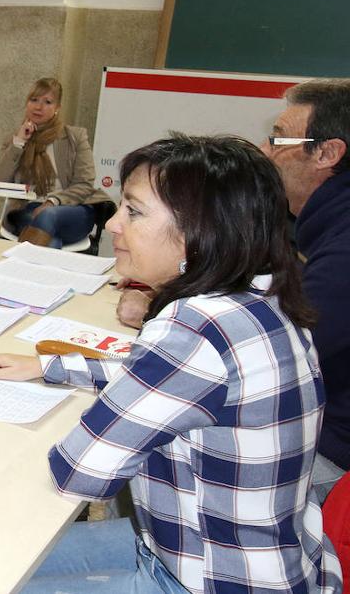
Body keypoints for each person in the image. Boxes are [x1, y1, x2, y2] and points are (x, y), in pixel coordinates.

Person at [0, 135, 342, 593]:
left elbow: (79, 472)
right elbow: (188, 382)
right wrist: (51, 367)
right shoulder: (264, 299)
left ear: (200, 231)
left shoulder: (195, 326)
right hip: (266, 562)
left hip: (203, 578)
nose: (115, 225)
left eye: (134, 211)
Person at [118, 79, 350, 502]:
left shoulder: (343, 248)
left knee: (147, 451)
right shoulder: (322, 223)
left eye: (279, 138)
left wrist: (164, 303)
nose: (265, 151)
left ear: (328, 153)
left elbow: (264, 352)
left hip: (323, 452)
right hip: (295, 421)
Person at [0, 77, 111, 248]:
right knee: (51, 240)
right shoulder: (16, 139)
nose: (39, 107)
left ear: (57, 108)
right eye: (34, 100)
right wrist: (19, 142)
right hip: (29, 211)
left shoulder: (75, 137)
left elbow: (84, 184)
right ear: (27, 103)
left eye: (47, 102)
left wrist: (52, 201)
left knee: (47, 216)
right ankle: (42, 272)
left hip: (73, 210)